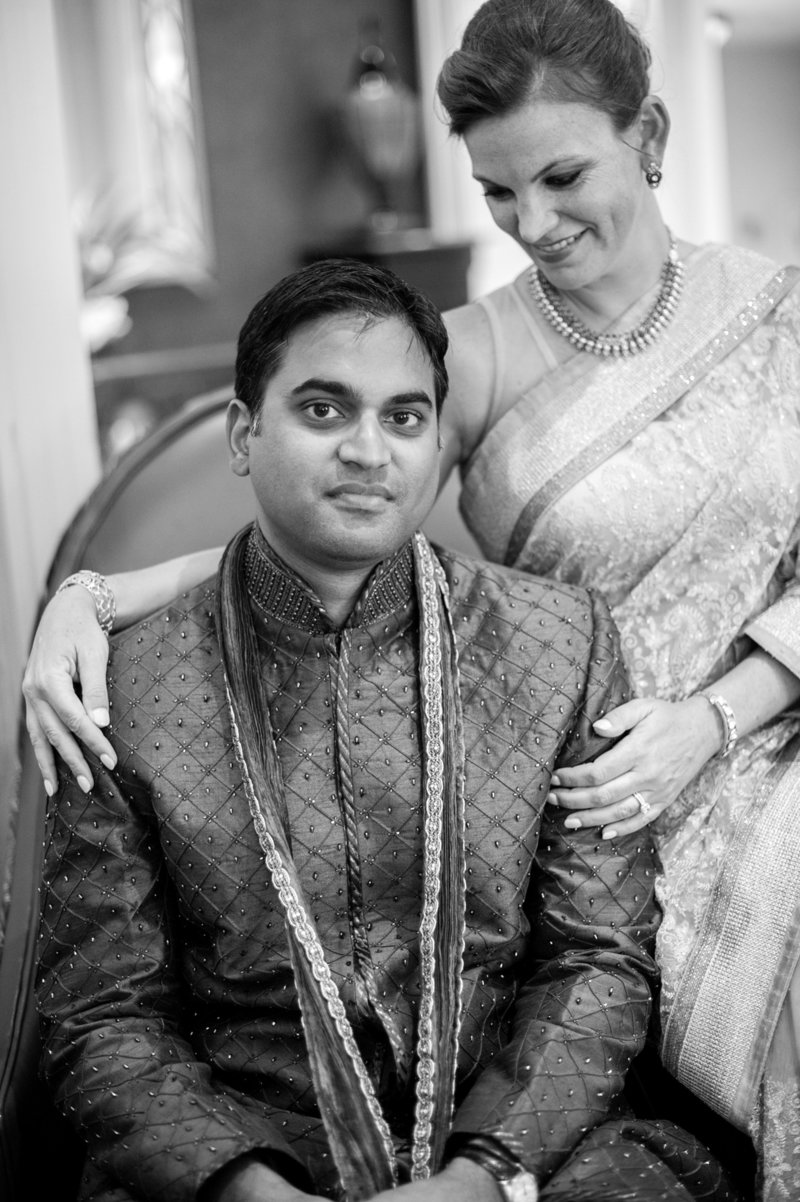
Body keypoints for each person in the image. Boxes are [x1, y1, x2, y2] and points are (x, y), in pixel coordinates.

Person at [23, 0, 800, 1196]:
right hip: (585, 784)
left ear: (645, 132)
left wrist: (718, 715)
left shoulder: (781, 309)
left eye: (558, 175)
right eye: (496, 193)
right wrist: (90, 594)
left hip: (760, 733)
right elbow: (330, 507)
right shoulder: (465, 355)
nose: (530, 224)